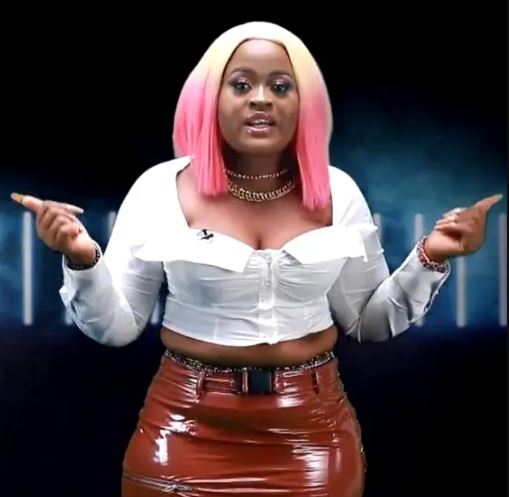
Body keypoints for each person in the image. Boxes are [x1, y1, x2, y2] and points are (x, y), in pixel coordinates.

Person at [11, 21, 501, 497]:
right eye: (241, 84)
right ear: (210, 98)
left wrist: (431, 257)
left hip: (312, 432)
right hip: (184, 426)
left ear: (304, 103)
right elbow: (117, 328)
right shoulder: (158, 188)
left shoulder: (338, 191)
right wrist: (81, 259)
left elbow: (369, 323)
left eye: (281, 86)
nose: (261, 99)